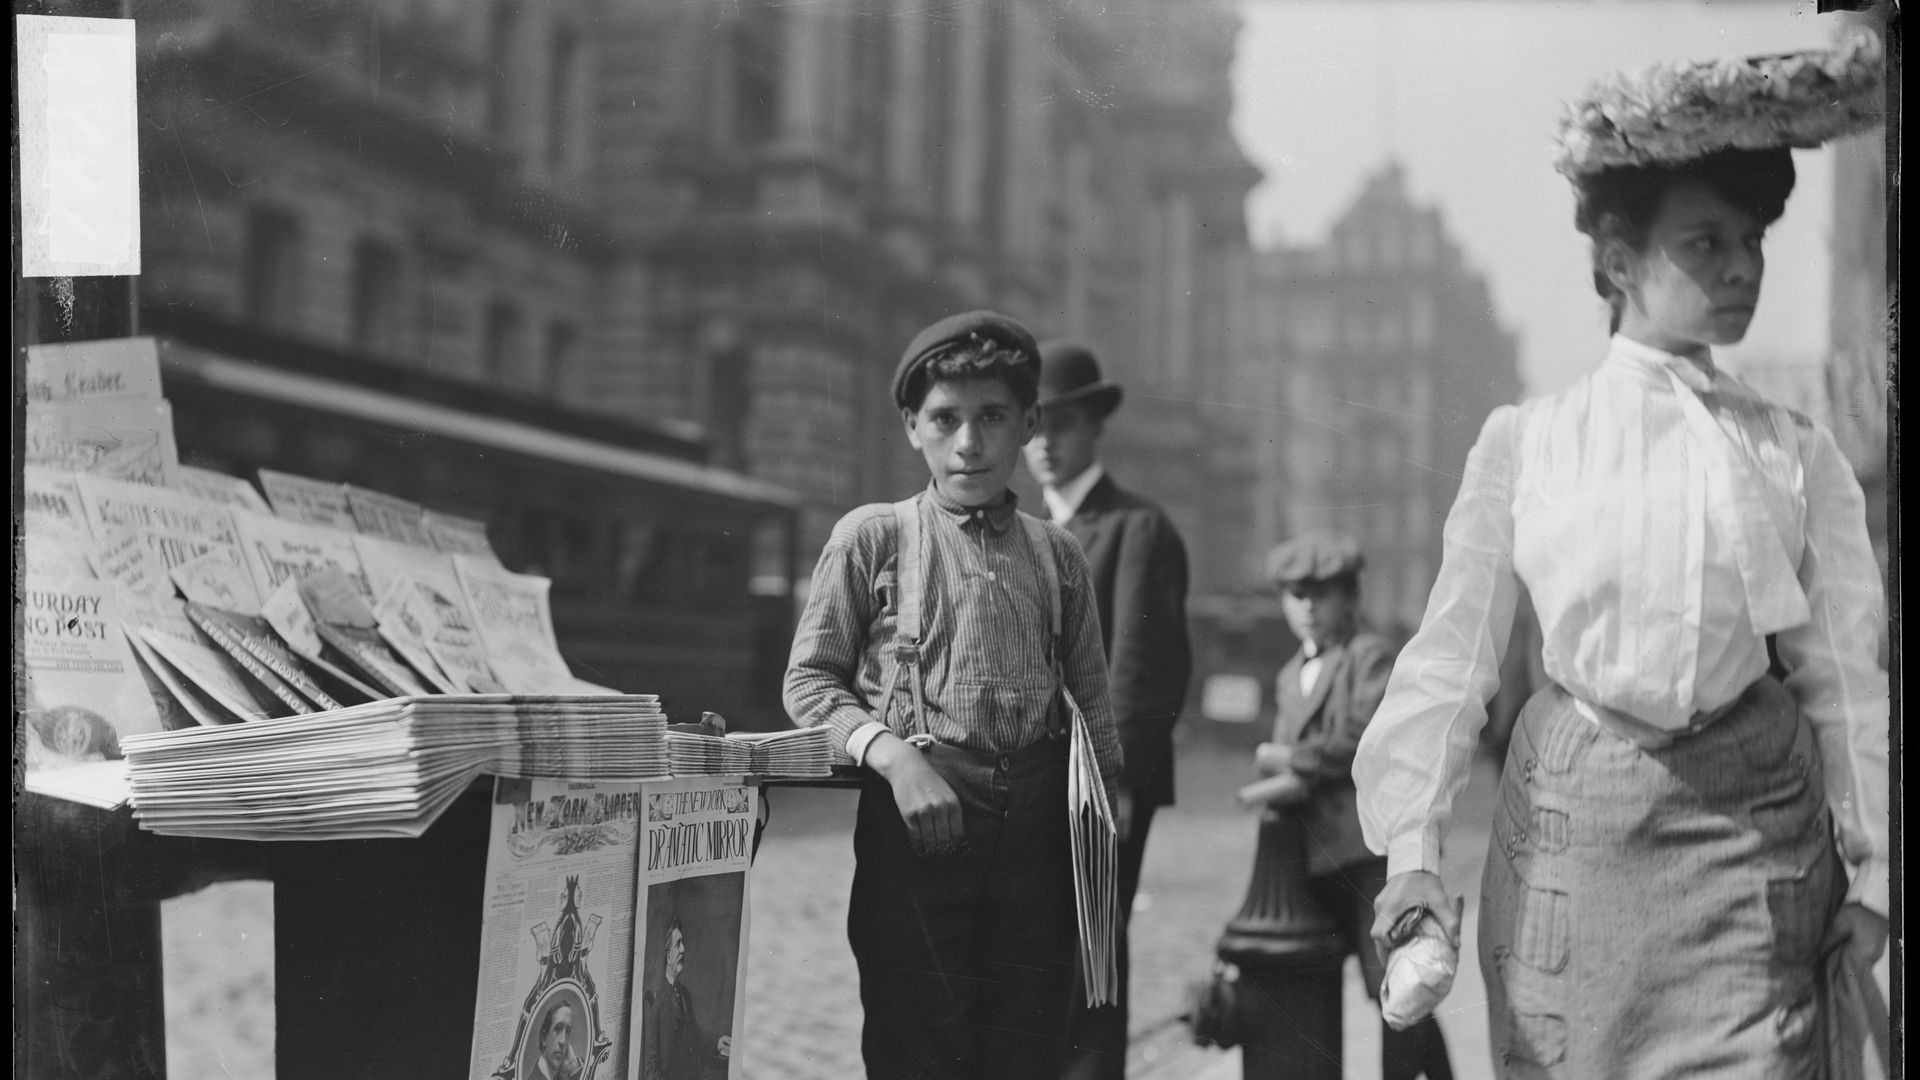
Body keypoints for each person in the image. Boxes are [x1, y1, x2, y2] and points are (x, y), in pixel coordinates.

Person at [1353, 33, 1889, 1077]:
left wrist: (1875, 878)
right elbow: (1454, 660)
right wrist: (1413, 857)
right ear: (1618, 260)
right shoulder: (1531, 442)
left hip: (1754, 849)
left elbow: (1845, 678)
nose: (1742, 267)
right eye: (1704, 241)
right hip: (1577, 841)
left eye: (1752, 240)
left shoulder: (1797, 451)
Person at [783, 311, 1124, 1080]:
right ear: (913, 426)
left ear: (1028, 424)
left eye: (993, 417)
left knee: (1025, 1057)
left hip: (1036, 855)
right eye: (946, 418)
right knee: (919, 1054)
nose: (969, 442)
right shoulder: (875, 537)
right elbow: (808, 681)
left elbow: (1095, 713)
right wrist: (892, 755)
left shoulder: (1058, 554)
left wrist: (1102, 848)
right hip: (916, 846)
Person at [1023, 339, 1191, 1080]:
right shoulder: (1029, 533)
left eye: (1060, 424)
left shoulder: (1136, 529)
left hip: (1102, 784)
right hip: (1037, 778)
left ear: (1094, 426)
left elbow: (1143, 677)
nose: (1043, 444)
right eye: (1032, 426)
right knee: (1041, 950)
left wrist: (1113, 782)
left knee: (1091, 950)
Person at [1243, 532, 1454, 1080]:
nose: (1308, 607)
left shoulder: (1369, 655)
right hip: (1311, 858)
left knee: (1394, 987)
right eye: (1296, 595)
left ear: (1351, 597)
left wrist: (1293, 760)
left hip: (1364, 854)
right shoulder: (1294, 673)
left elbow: (1367, 736)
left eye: (1323, 594)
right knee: (1312, 985)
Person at [641, 918, 731, 1080]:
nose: (683, 949)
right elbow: (650, 1069)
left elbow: (693, 1033)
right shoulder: (654, 1000)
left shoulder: (684, 994)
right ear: (668, 956)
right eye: (678, 944)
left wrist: (717, 1042)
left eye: (683, 943)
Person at [534, 1002, 585, 1080]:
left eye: (567, 1031)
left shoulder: (573, 1070)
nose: (563, 1041)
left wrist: (574, 1069)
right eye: (558, 1029)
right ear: (543, 1038)